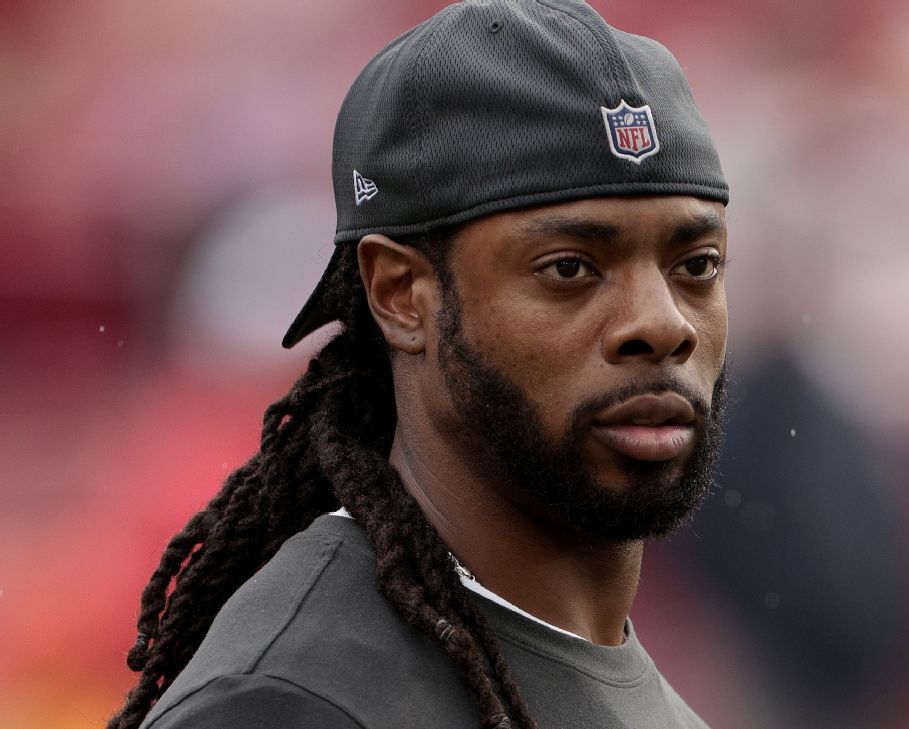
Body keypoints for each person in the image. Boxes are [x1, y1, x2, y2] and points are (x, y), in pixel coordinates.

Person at [108, 2, 730, 728]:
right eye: (569, 267)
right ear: (402, 295)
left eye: (697, 264)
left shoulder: (638, 686)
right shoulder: (290, 702)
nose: (663, 323)